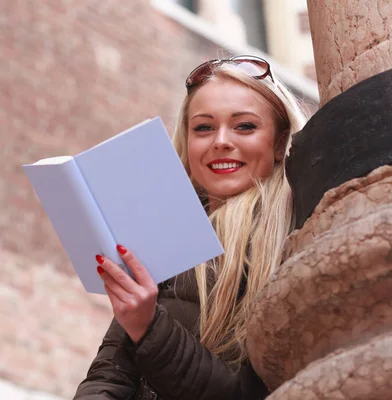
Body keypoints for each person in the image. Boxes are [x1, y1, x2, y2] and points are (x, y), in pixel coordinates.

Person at [73, 56, 309, 400]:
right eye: (203, 128)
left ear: (278, 142)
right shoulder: (163, 234)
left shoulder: (299, 237)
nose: (221, 141)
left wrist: (149, 326)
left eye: (244, 126)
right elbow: (109, 374)